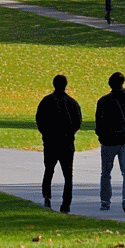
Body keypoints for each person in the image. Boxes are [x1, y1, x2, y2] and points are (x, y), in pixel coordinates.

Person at [35, 74, 82, 213]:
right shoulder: (72, 103)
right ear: (66, 85)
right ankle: (66, 203)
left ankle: (47, 197)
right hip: (66, 143)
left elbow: (40, 120)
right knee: (68, 175)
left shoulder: (46, 101)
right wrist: (69, 134)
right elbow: (77, 122)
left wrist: (46, 134)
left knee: (49, 170)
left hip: (50, 142)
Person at [95, 71, 125, 214]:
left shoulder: (103, 101)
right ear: (123, 83)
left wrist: (101, 135)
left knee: (106, 173)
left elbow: (99, 122)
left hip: (108, 141)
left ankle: (105, 202)